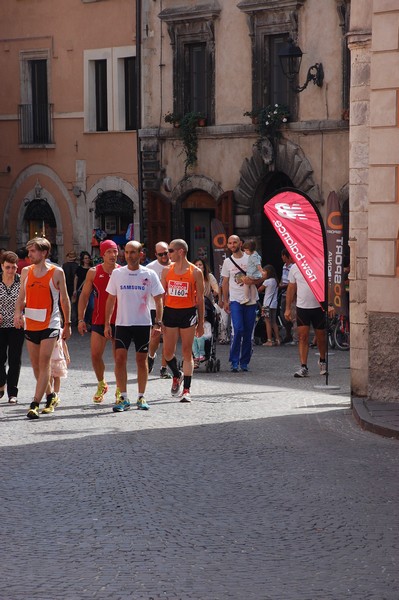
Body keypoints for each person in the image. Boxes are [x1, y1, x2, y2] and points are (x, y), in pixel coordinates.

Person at [13, 237, 71, 419]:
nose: (29, 255)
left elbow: (65, 299)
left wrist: (67, 324)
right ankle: (51, 395)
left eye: (33, 251)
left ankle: (35, 403)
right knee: (37, 367)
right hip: (31, 323)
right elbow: (21, 296)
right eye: (29, 251)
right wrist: (17, 313)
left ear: (44, 253)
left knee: (44, 362)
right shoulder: (25, 271)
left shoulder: (57, 272)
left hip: (50, 324)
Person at [104, 241, 164, 412]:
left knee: (141, 360)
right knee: (120, 359)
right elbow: (110, 300)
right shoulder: (117, 274)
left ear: (140, 254)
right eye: (127, 252)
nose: (129, 256)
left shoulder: (149, 273)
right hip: (122, 324)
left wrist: (158, 323)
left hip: (142, 323)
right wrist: (107, 323)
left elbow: (159, 300)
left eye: (133, 252)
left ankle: (141, 396)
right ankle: (123, 397)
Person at [161, 239, 204, 403]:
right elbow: (161, 296)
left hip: (188, 313)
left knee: (187, 352)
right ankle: (176, 374)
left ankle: (186, 390)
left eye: (170, 251)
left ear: (180, 252)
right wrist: (159, 319)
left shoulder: (195, 272)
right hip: (170, 312)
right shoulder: (166, 271)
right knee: (167, 353)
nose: (167, 254)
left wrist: (200, 323)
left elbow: (200, 299)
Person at [77, 240, 120, 403]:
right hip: (99, 319)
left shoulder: (122, 271)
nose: (113, 255)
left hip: (119, 320)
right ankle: (102, 383)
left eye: (115, 251)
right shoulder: (94, 272)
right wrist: (81, 319)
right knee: (95, 355)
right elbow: (84, 296)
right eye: (109, 251)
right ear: (102, 254)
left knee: (119, 358)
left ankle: (119, 389)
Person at [221, 235, 264, 372]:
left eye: (235, 242)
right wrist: (225, 300)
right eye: (230, 243)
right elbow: (225, 282)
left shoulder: (250, 257)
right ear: (227, 245)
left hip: (251, 300)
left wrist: (252, 281)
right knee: (238, 329)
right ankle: (234, 360)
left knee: (247, 331)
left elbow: (260, 276)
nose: (232, 245)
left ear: (240, 243)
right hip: (235, 300)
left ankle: (244, 361)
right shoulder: (227, 262)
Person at [284, 262, 333, 377]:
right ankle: (303, 366)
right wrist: (287, 308)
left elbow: (328, 285)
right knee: (302, 337)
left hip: (319, 306)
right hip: (302, 307)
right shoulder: (295, 267)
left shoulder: (320, 264)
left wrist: (329, 304)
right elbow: (291, 288)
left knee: (321, 337)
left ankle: (322, 360)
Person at [0, 251, 25, 404]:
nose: (11, 271)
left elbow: (27, 299)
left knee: (15, 359)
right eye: (8, 267)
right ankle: (1, 383)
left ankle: (12, 392)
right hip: (0, 325)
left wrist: (21, 312)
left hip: (17, 325)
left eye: (14, 268)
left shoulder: (21, 280)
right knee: (0, 358)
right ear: (2, 266)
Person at [146, 241, 172, 379]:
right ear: (156, 254)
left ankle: (163, 368)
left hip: (171, 306)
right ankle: (151, 356)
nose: (164, 256)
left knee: (168, 338)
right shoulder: (150, 268)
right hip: (154, 306)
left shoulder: (175, 265)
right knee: (155, 337)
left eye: (166, 253)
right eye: (160, 254)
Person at [260, 264, 281, 346]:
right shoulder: (275, 281)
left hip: (266, 304)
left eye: (264, 271)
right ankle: (277, 339)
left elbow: (260, 289)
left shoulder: (267, 281)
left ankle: (269, 340)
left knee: (267, 322)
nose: (263, 273)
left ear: (268, 272)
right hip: (274, 304)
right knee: (274, 322)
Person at [46, 337, 70, 405]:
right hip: (49, 359)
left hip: (58, 359)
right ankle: (49, 393)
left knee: (57, 377)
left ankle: (56, 393)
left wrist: (67, 356)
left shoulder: (61, 332)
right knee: (49, 377)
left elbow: (63, 344)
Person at [279, 248, 295, 344]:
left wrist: (283, 286)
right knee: (283, 314)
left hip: (289, 292)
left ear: (286, 256)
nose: (282, 258)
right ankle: (288, 334)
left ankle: (294, 335)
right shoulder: (284, 266)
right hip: (283, 293)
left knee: (292, 314)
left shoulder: (292, 267)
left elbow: (292, 282)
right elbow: (283, 277)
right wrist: (280, 284)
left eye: (283, 256)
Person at [73, 251, 93, 326]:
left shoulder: (92, 269)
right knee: (81, 306)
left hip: (90, 290)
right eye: (85, 258)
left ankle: (87, 321)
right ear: (83, 260)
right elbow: (76, 279)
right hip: (81, 290)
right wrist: (75, 290)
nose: (87, 260)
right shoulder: (79, 269)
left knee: (91, 306)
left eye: (88, 258)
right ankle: (81, 321)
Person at [241, 239, 264, 305]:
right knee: (252, 285)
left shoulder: (253, 256)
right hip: (255, 274)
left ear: (250, 249)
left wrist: (261, 271)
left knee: (246, 283)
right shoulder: (256, 254)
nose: (245, 252)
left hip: (252, 274)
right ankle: (253, 299)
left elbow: (258, 265)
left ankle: (246, 298)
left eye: (246, 250)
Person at [62, 250, 79, 326]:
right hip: (75, 286)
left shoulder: (64, 265)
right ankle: (74, 320)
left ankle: (67, 319)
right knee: (74, 303)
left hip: (66, 286)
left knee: (66, 302)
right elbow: (76, 277)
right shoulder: (77, 265)